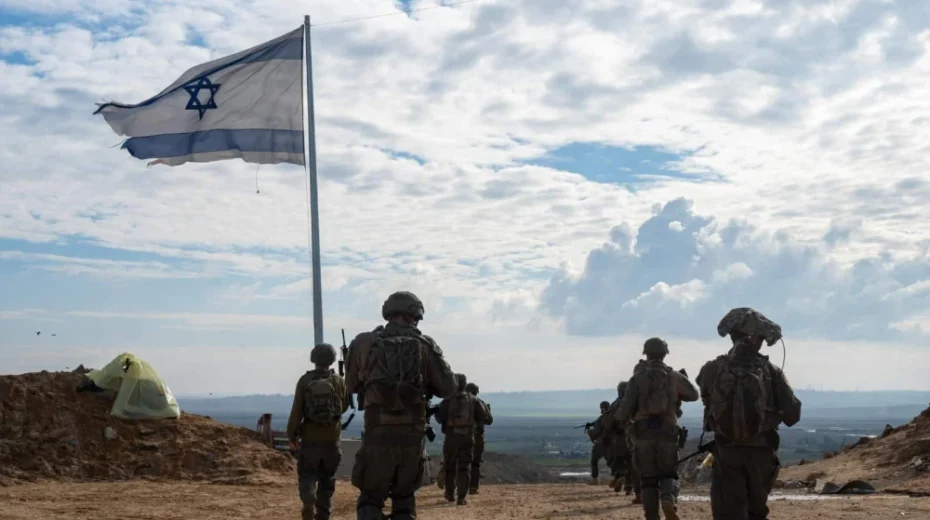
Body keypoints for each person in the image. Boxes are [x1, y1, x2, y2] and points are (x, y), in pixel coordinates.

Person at [345, 291, 458, 520]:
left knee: (370, 497)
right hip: (412, 435)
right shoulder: (425, 345)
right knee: (404, 499)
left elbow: (350, 384)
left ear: (388, 311)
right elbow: (449, 387)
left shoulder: (363, 342)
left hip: (377, 432)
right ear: (415, 315)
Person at [696, 308, 802, 520]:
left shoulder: (711, 369)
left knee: (728, 513)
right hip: (762, 453)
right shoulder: (771, 371)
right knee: (757, 513)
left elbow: (707, 402)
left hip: (727, 452)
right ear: (756, 339)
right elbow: (793, 415)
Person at [613, 337, 699, 520]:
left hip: (643, 433)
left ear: (646, 353)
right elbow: (694, 395)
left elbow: (624, 411)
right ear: (665, 354)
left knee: (648, 479)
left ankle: (652, 517)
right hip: (668, 431)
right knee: (669, 473)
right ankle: (668, 498)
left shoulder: (636, 379)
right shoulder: (674, 376)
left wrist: (621, 418)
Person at [286, 343, 350, 520]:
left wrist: (292, 435)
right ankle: (323, 515)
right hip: (332, 439)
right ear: (331, 360)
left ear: (313, 359)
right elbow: (344, 407)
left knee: (307, 475)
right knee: (327, 480)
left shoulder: (305, 381)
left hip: (310, 439)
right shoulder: (338, 381)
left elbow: (296, 412)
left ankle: (308, 496)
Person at [436, 373, 488, 505]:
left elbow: (439, 418)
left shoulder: (447, 400)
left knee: (449, 466)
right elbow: (483, 416)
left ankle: (449, 494)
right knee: (464, 467)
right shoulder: (473, 400)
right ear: (465, 384)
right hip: (467, 437)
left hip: (451, 437)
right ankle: (461, 497)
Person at [605, 381, 637, 500]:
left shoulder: (615, 404)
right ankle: (630, 487)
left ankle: (620, 475)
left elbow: (608, 423)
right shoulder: (636, 403)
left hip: (619, 437)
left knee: (619, 459)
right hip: (634, 437)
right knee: (632, 463)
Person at [465, 381, 493, 494]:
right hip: (477, 436)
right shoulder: (481, 403)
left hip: (461, 436)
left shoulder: (458, 402)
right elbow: (490, 420)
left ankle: (460, 487)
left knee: (462, 462)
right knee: (475, 463)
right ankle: (473, 487)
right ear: (476, 392)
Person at [586, 401, 612, 485]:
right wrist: (592, 423)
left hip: (601, 444)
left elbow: (596, 432)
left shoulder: (603, 418)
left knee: (594, 460)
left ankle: (595, 479)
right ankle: (618, 477)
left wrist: (589, 432)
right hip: (612, 444)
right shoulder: (613, 417)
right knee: (612, 462)